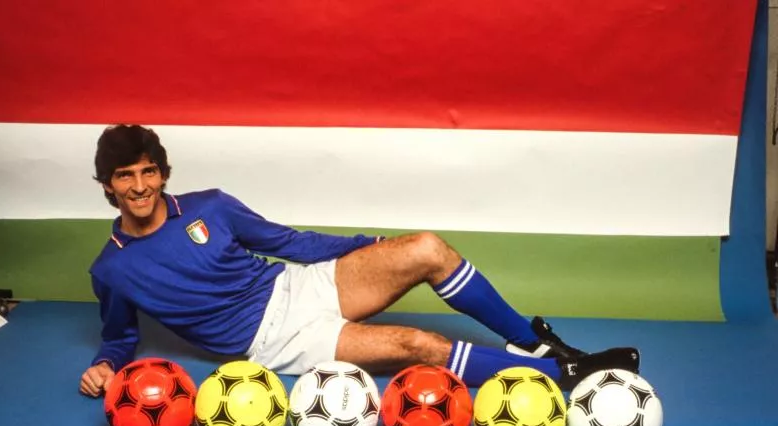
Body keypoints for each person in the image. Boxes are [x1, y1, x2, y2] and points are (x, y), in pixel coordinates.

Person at [79, 125, 639, 397]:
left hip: (299, 286)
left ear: (163, 173)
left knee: (425, 246)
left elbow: (290, 243)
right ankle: (562, 376)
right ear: (107, 186)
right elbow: (120, 336)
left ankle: (537, 341)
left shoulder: (211, 206)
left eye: (147, 171)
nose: (138, 186)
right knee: (417, 346)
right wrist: (105, 365)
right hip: (272, 342)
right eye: (124, 176)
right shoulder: (112, 269)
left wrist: (369, 246)